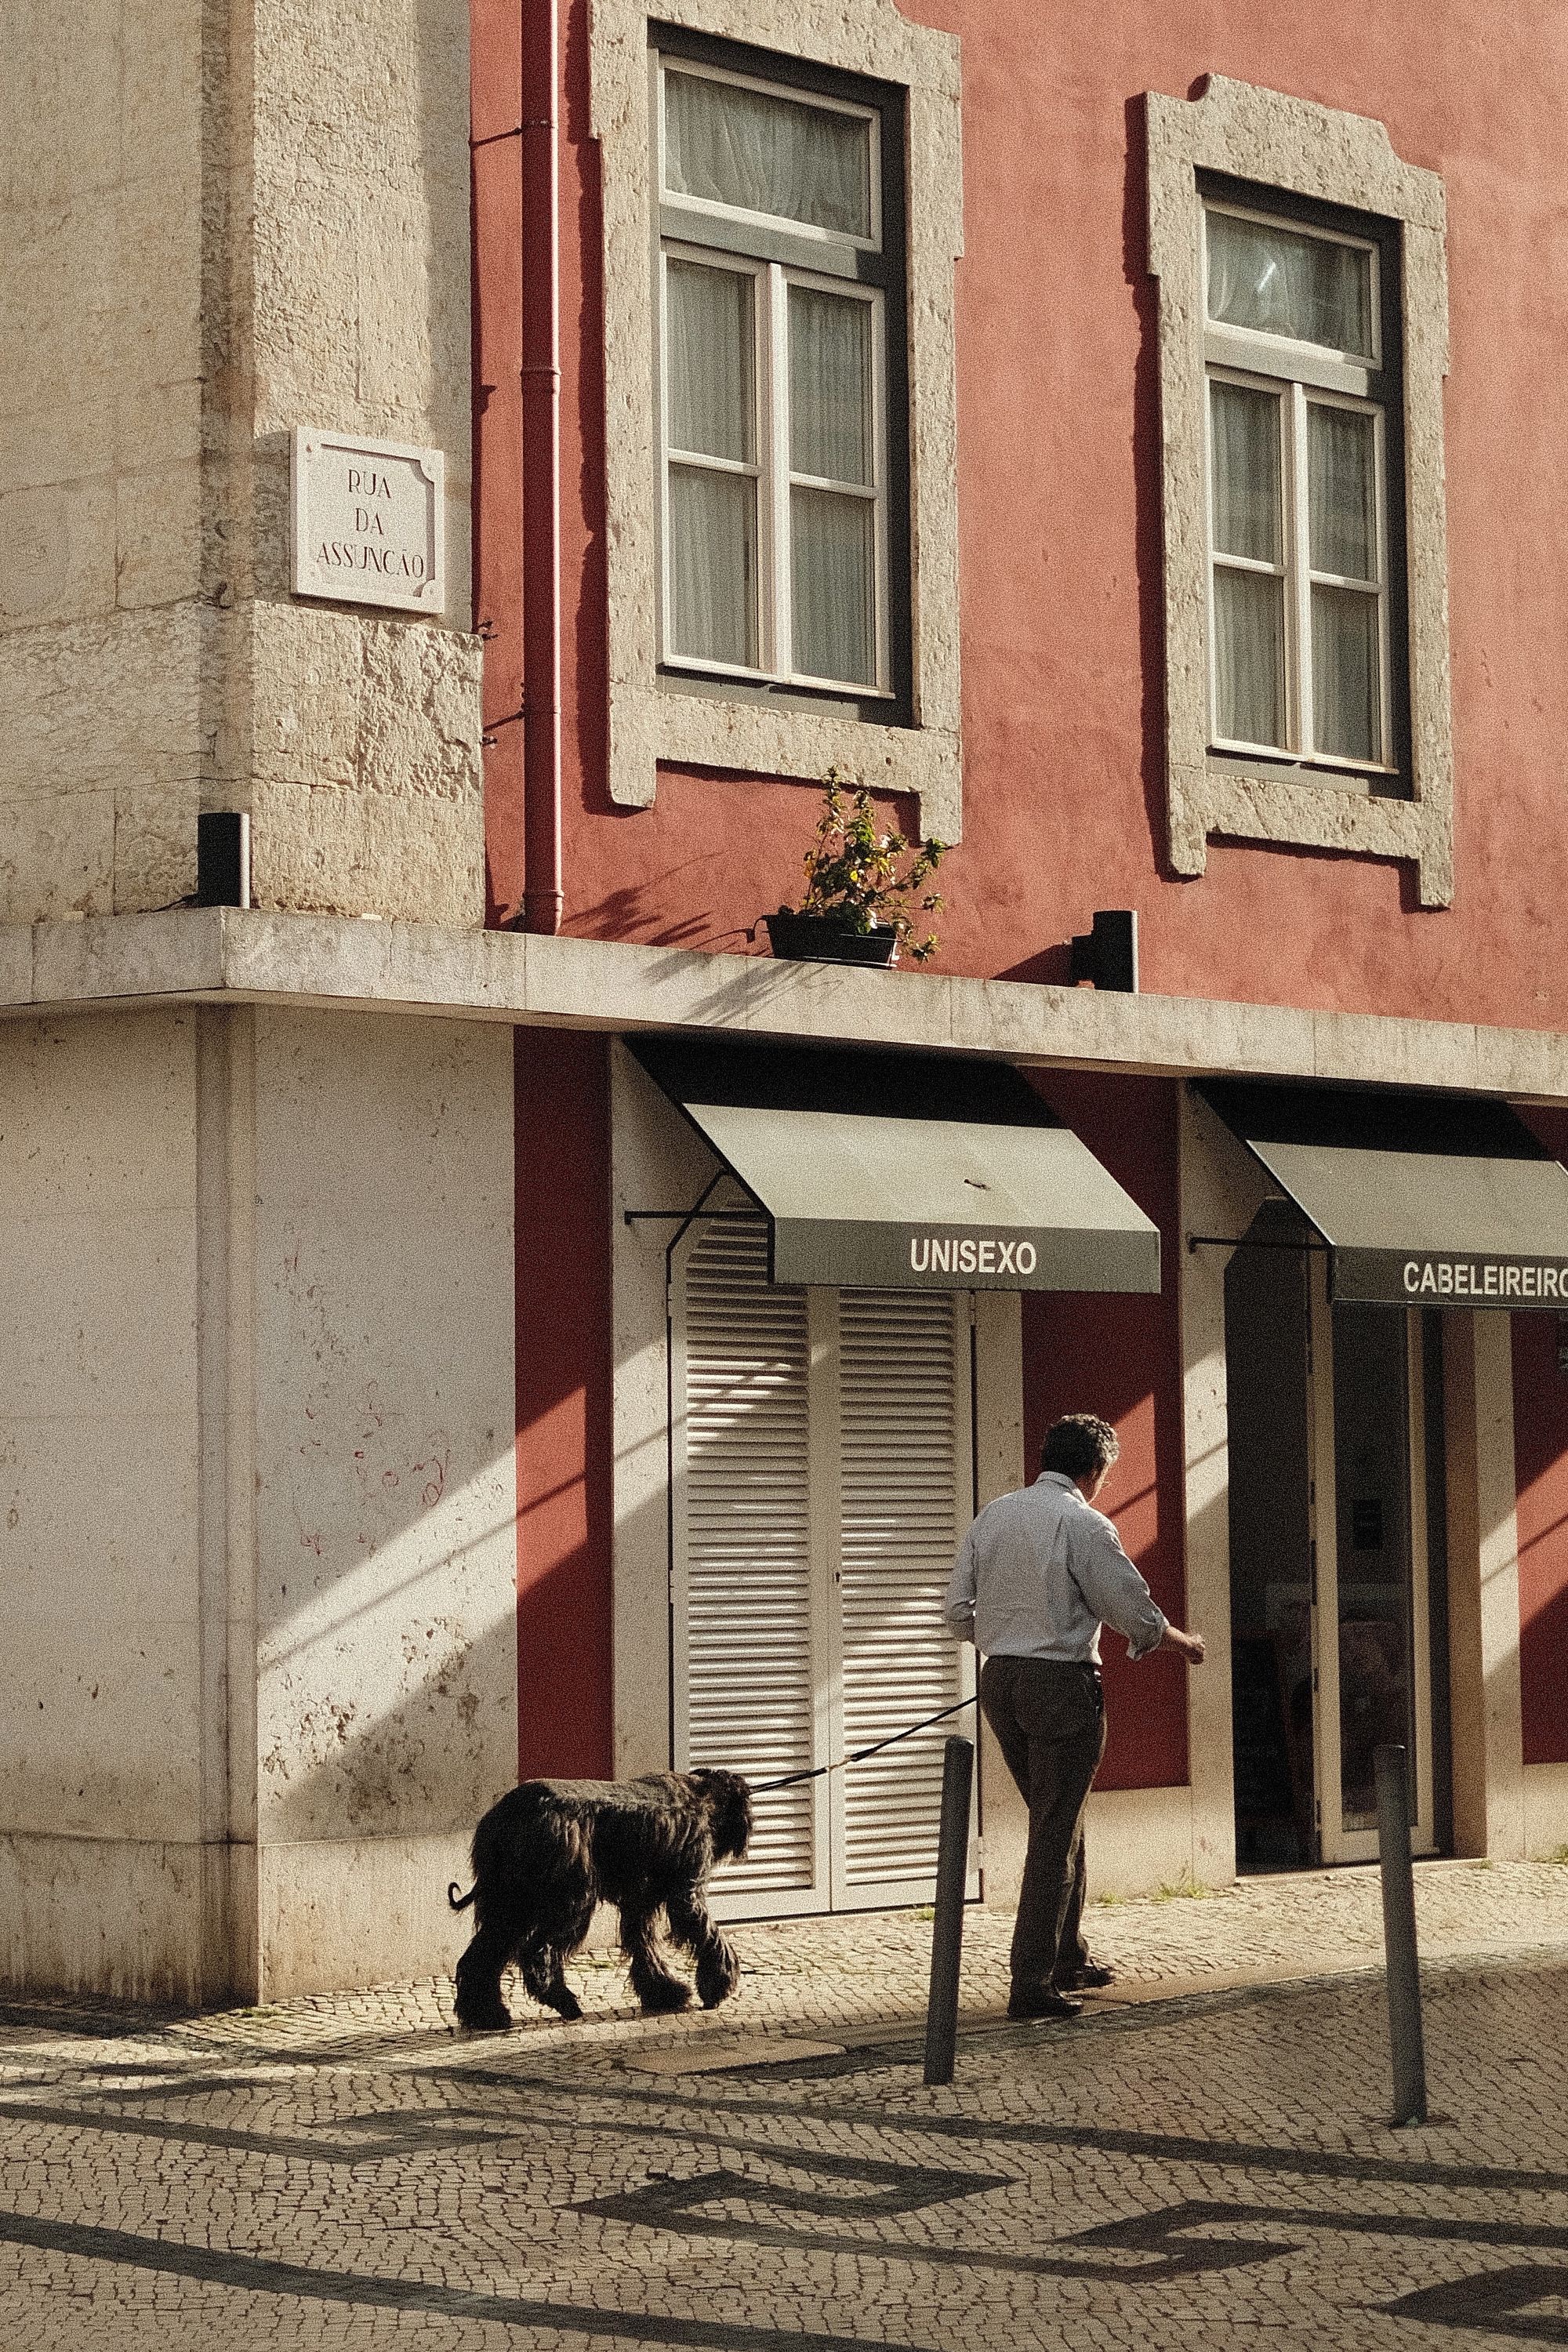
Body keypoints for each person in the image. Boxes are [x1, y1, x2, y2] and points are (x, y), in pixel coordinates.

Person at [944, 1411, 1206, 2021]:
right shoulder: (1084, 1523)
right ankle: (1031, 1980)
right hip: (1060, 1686)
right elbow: (1131, 1611)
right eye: (1106, 1474)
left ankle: (1068, 1956)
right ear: (1095, 1468)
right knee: (1055, 1833)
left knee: (1057, 1814)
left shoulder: (995, 1515)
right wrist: (1185, 1644)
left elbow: (957, 1612)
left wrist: (1010, 1636)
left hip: (1000, 1682)